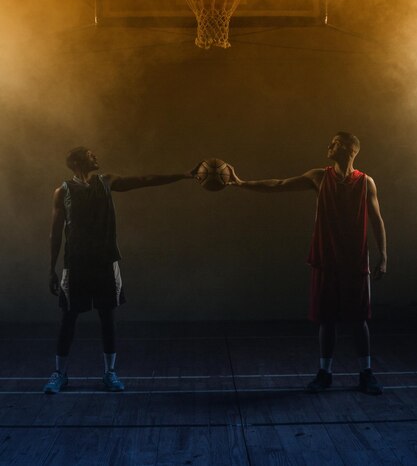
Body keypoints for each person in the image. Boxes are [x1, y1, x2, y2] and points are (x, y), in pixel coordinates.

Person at [228, 132, 387, 395]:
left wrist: (384, 255)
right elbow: (279, 184)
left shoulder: (366, 182)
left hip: (354, 260)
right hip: (325, 259)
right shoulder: (319, 176)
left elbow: (377, 219)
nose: (328, 146)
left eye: (334, 143)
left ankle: (366, 373)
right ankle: (325, 373)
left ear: (348, 149)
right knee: (327, 320)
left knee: (359, 320)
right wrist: (243, 183)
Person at [44, 146, 195, 394]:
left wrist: (183, 174)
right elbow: (55, 231)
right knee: (68, 319)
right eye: (91, 154)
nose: (96, 156)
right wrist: (51, 268)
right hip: (76, 263)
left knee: (107, 318)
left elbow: (144, 180)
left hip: (106, 261)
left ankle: (110, 373)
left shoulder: (106, 181)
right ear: (78, 162)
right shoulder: (63, 192)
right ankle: (59, 374)